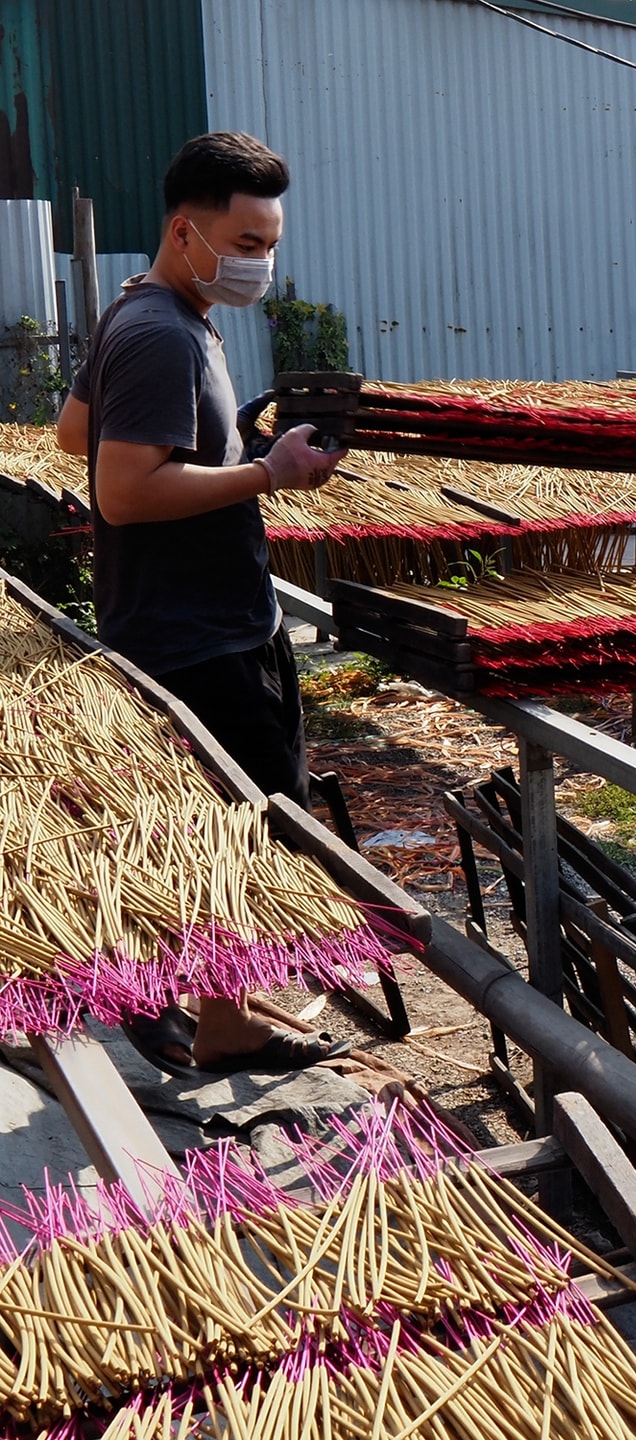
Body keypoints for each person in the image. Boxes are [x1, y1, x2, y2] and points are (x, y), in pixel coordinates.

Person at [55, 131, 350, 1073]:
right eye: (250, 244)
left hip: (193, 616)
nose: (262, 262)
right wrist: (264, 472)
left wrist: (224, 457)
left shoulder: (147, 313)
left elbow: (73, 434)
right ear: (187, 232)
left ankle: (218, 1003)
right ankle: (225, 1026)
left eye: (270, 242)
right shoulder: (159, 333)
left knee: (220, 820)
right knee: (252, 823)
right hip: (199, 633)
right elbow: (122, 492)